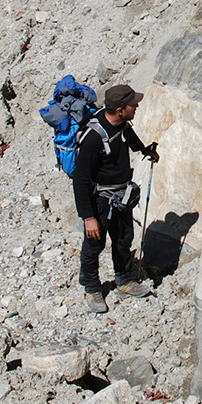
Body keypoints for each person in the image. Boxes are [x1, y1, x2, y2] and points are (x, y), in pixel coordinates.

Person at [72, 83, 160, 313]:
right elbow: (80, 180)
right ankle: (92, 289)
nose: (137, 106)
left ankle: (123, 280)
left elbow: (127, 134)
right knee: (94, 244)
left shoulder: (118, 122)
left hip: (121, 194)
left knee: (123, 238)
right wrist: (88, 217)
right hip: (100, 200)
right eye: (133, 104)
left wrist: (144, 150)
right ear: (120, 109)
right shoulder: (93, 138)